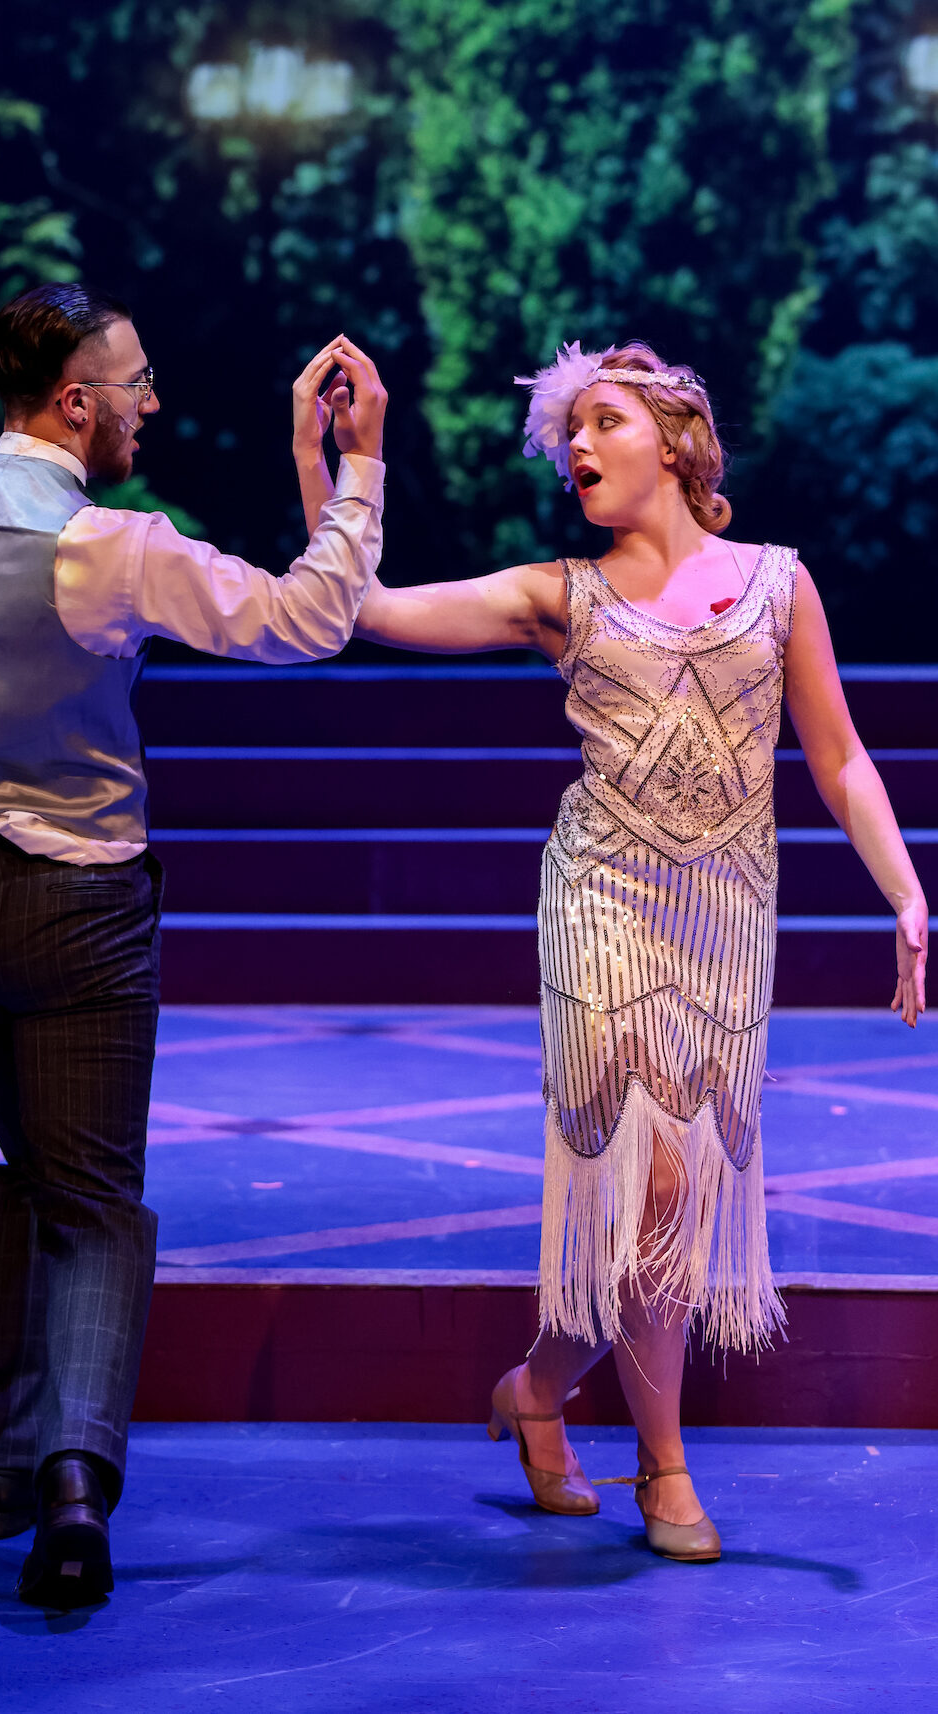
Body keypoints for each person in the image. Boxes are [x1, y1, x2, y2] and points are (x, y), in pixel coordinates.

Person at [0, 282, 387, 1607]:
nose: (152, 406)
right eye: (135, 386)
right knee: (94, 1198)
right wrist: (353, 467)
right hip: (80, 910)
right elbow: (306, 618)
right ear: (76, 403)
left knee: (37, 1171)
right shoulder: (112, 549)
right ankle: (75, 1484)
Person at [352, 339, 927, 1562]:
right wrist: (346, 465)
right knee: (651, 1181)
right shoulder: (559, 594)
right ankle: (665, 1468)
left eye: (602, 419)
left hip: (726, 910)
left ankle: (537, 1388)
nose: (577, 445)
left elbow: (839, 758)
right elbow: (369, 607)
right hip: (602, 899)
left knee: (667, 1202)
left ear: (675, 437)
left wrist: (906, 892)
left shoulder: (778, 583)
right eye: (567, 432)